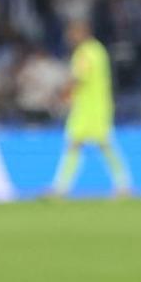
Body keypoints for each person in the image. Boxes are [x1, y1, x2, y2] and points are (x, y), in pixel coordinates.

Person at [47, 18, 131, 198]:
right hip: (98, 105)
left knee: (92, 144)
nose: (69, 37)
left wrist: (63, 95)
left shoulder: (85, 52)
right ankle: (122, 184)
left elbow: (78, 78)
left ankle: (61, 188)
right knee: (91, 144)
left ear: (82, 32)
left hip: (89, 107)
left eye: (72, 33)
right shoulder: (99, 50)